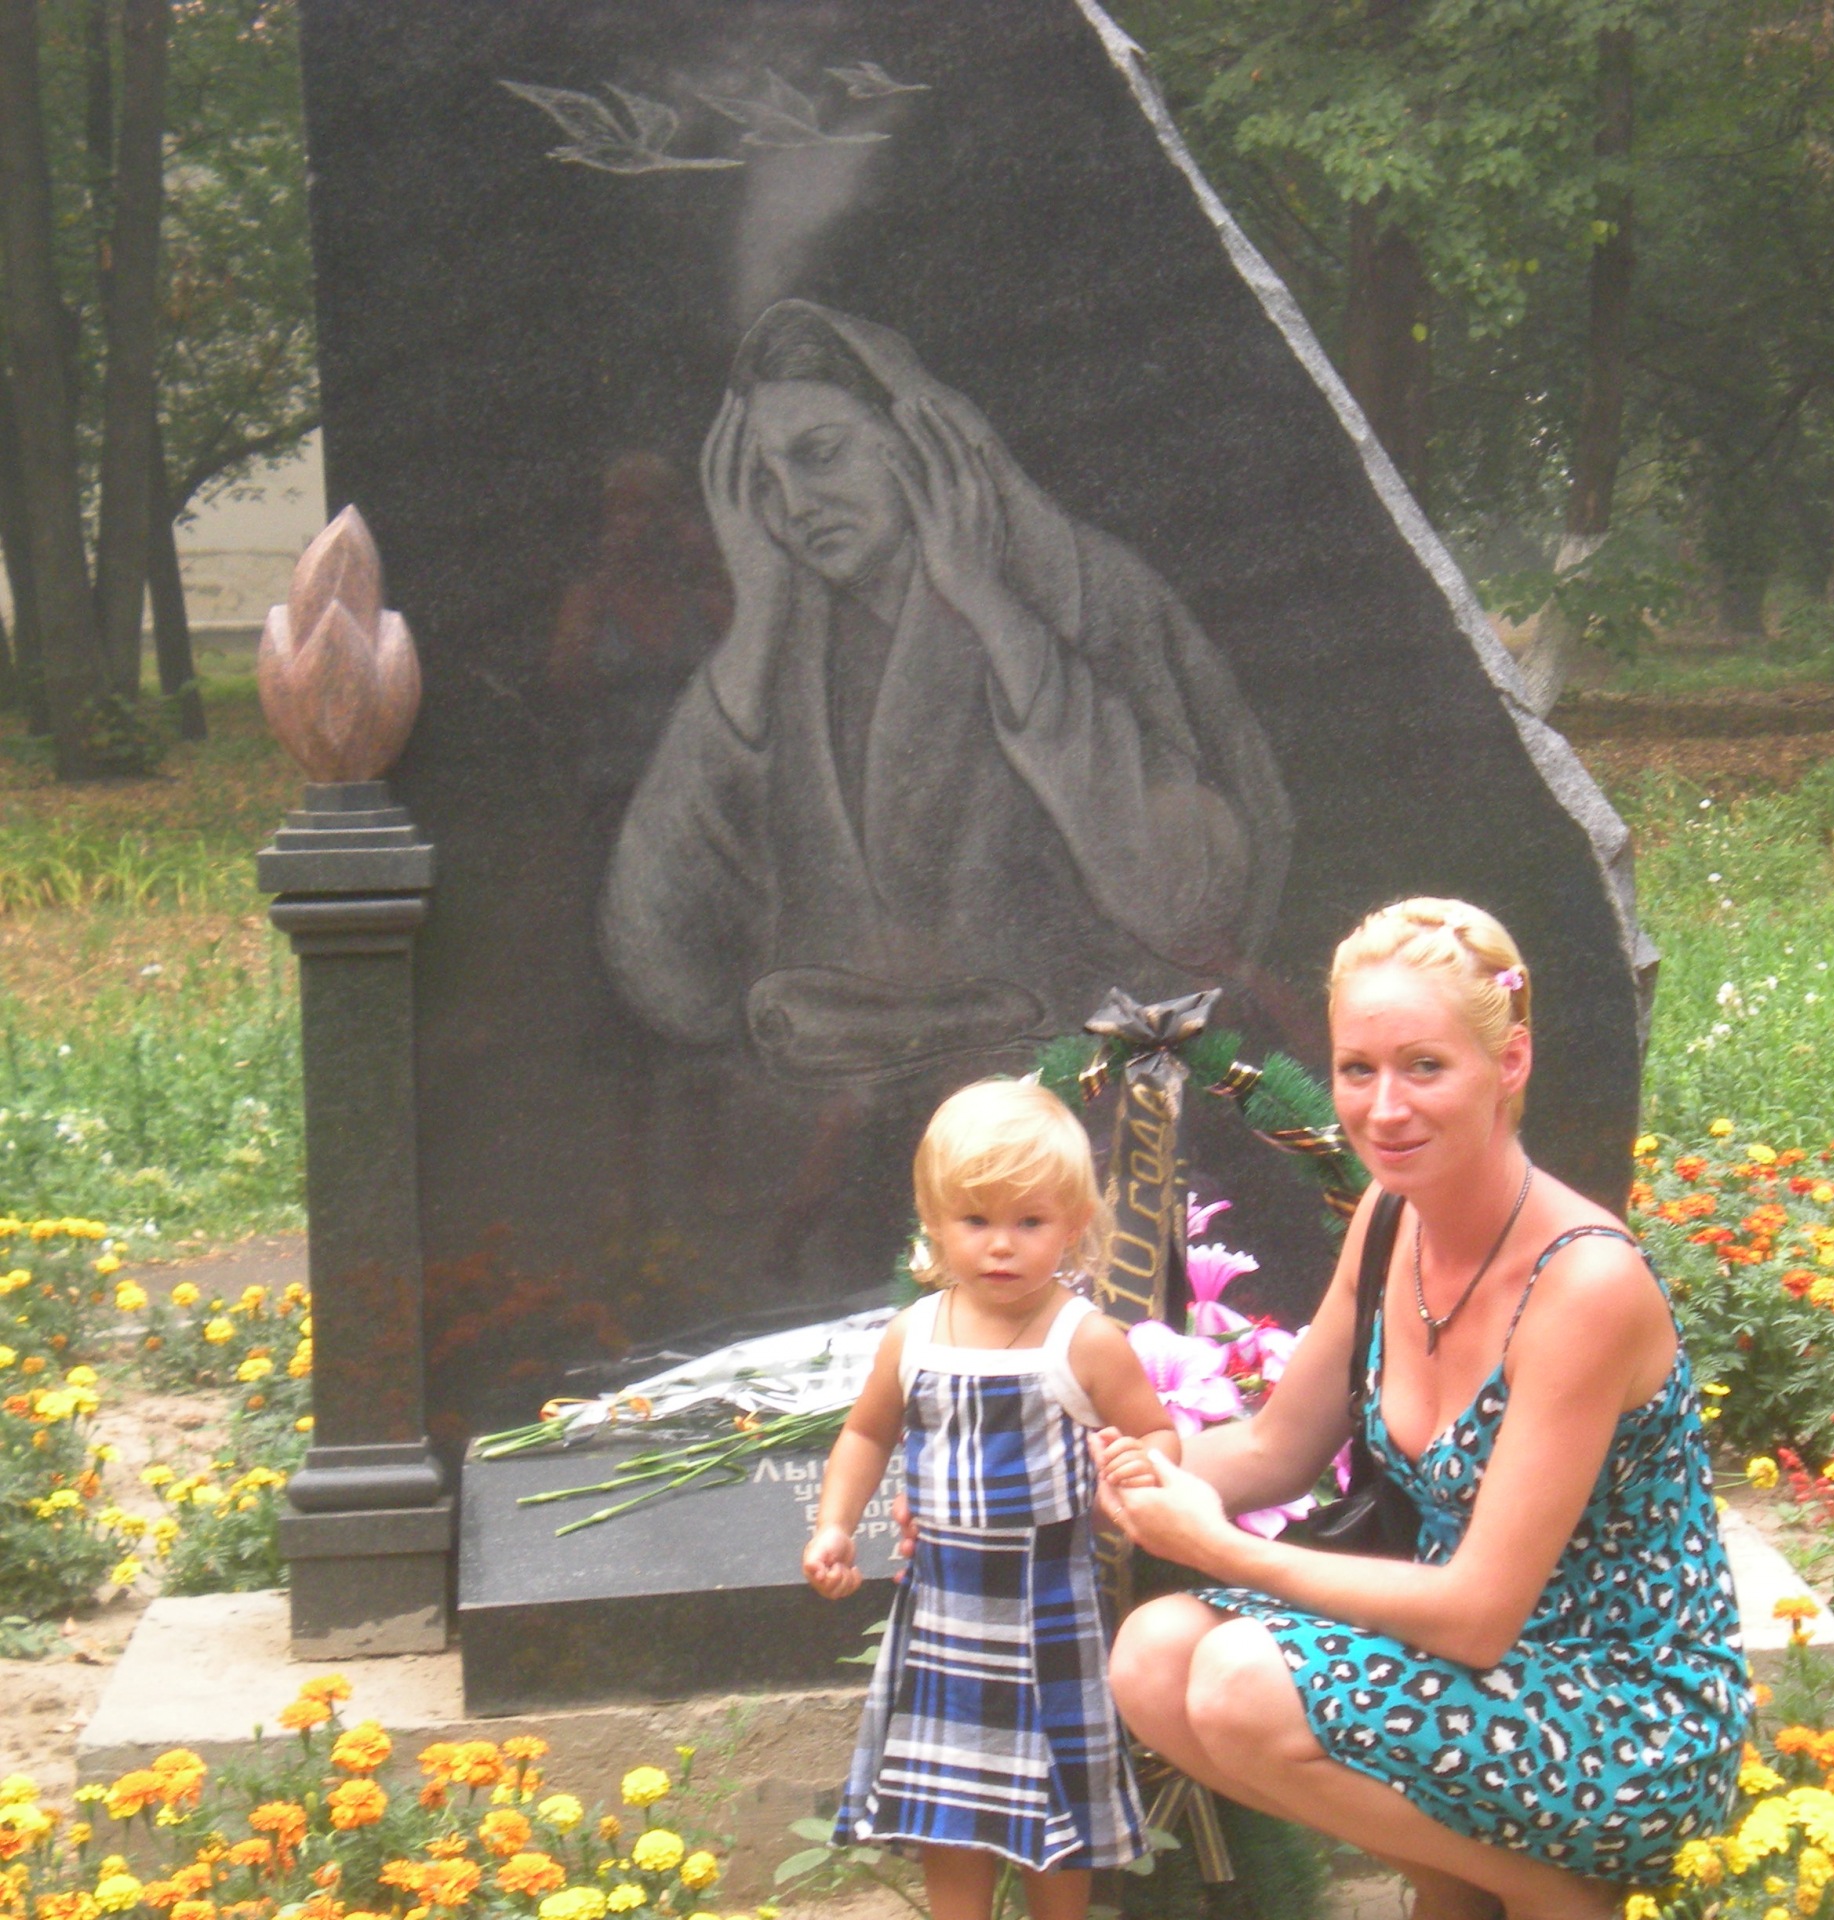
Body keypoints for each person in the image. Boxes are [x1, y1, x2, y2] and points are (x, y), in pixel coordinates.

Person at [1091, 899, 1750, 1920]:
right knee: (1151, 1657)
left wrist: (1219, 1549)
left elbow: (1481, 1614)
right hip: (1466, 1677)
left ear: (1510, 1061)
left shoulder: (1585, 1286)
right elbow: (1272, 1450)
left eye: (1424, 1067)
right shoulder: (1390, 1220)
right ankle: (1460, 1891)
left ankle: (1562, 1905)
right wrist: (1088, 1469)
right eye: (1357, 1070)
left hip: (1624, 1713)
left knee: (1235, 1681)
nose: (1384, 1108)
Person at [600, 298, 1292, 1088]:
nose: (792, 505)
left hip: (1075, 1111)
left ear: (922, 438)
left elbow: (1196, 907)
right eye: (762, 479)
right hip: (840, 1120)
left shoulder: (1090, 593)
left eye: (820, 454)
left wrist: (992, 611)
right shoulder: (772, 652)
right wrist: (751, 633)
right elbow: (664, 974)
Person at [804, 1078, 1181, 1920]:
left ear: (1073, 1224)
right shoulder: (914, 1335)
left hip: (1047, 1610)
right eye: (976, 1220)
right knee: (950, 1806)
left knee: (1058, 1801)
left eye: (1030, 1222)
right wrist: (834, 1526)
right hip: (943, 1608)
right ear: (934, 1222)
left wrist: (1137, 1468)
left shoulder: (1082, 1340)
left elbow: (1156, 1431)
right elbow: (866, 1434)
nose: (1001, 1246)